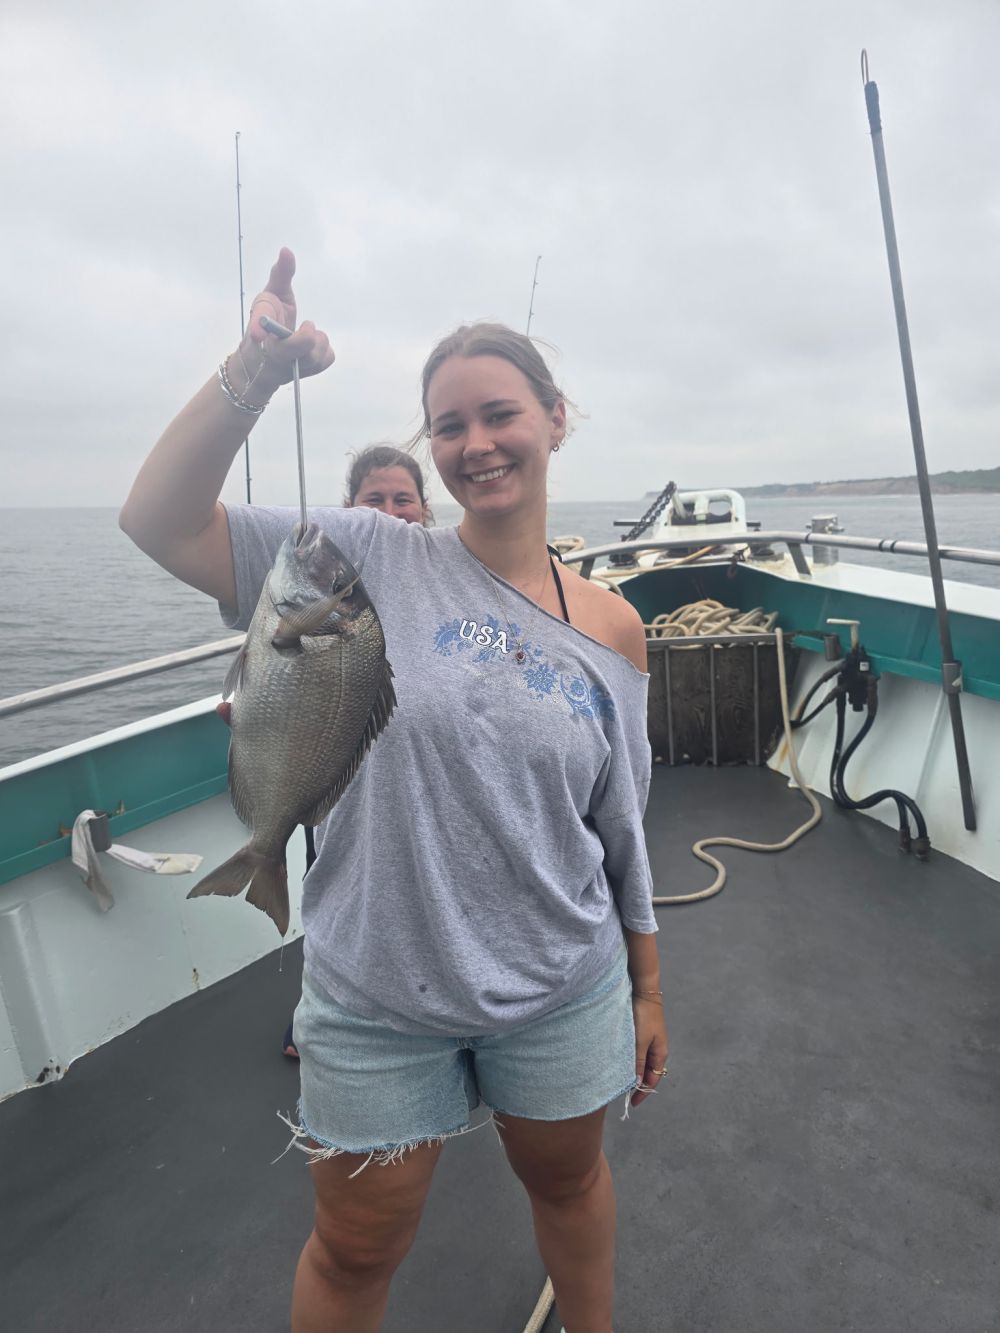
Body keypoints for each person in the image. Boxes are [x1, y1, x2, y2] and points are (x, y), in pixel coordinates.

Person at [119, 247, 668, 1333]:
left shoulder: (615, 627)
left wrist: (646, 987)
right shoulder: (365, 552)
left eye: (499, 414)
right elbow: (157, 519)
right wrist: (255, 370)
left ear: (556, 420)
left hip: (560, 986)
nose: (475, 444)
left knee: (569, 1186)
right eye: (449, 426)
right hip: (377, 996)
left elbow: (620, 832)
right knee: (357, 1246)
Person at [282, 443, 433, 1059]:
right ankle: (317, 1008)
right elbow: (282, 662)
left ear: (426, 509)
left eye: (405, 500)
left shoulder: (442, 577)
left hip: (415, 775)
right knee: (337, 885)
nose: (392, 513)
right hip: (340, 777)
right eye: (375, 500)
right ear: (350, 509)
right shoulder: (324, 588)